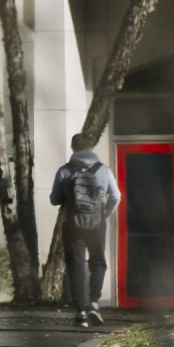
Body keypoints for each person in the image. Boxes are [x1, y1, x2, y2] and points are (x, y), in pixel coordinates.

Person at [50, 132, 120, 328]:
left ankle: (80, 312)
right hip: (97, 224)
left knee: (75, 266)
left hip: (72, 224)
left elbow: (54, 199)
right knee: (98, 262)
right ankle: (94, 304)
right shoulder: (103, 170)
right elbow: (116, 196)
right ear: (91, 148)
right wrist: (103, 214)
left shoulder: (65, 171)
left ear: (73, 148)